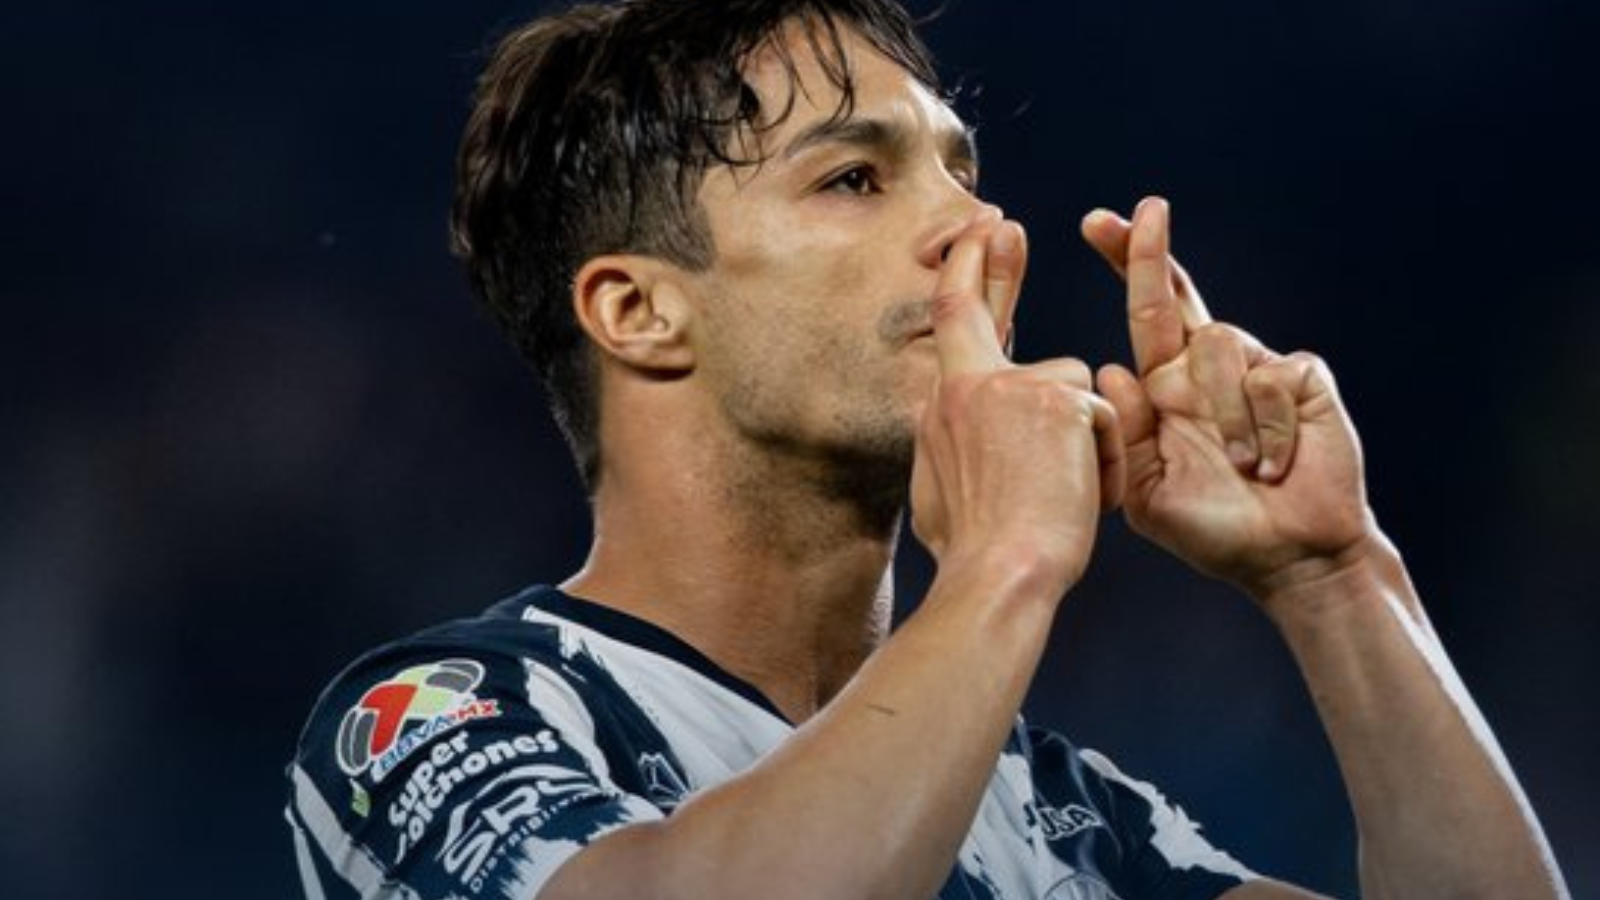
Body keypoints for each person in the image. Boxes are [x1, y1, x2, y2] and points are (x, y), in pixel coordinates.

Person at [284, 1, 1571, 898]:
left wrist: (1338, 580)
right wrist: (1005, 569)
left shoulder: (1059, 819)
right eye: (853, 178)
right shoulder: (440, 723)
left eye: (963, 174)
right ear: (637, 310)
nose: (976, 228)